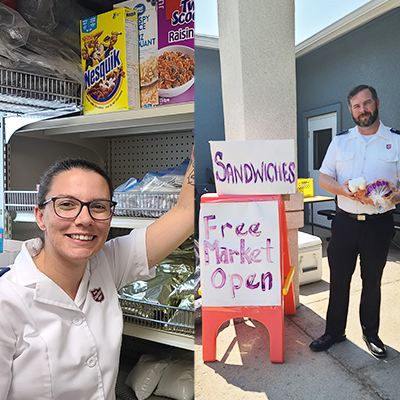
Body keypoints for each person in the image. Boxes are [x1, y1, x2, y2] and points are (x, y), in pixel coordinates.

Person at [0, 154, 194, 400]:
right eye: (67, 204)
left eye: (98, 206)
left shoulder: (108, 263)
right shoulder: (6, 303)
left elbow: (186, 212)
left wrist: (203, 136)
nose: (84, 219)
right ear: (40, 216)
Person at [309, 84, 400, 358]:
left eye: (367, 103)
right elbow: (324, 178)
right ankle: (334, 332)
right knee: (339, 279)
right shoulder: (340, 141)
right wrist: (343, 189)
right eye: (357, 106)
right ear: (351, 110)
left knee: (372, 281)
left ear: (377, 103)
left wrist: (391, 198)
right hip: (345, 222)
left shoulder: (395, 140)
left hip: (378, 223)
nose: (363, 110)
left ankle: (370, 333)